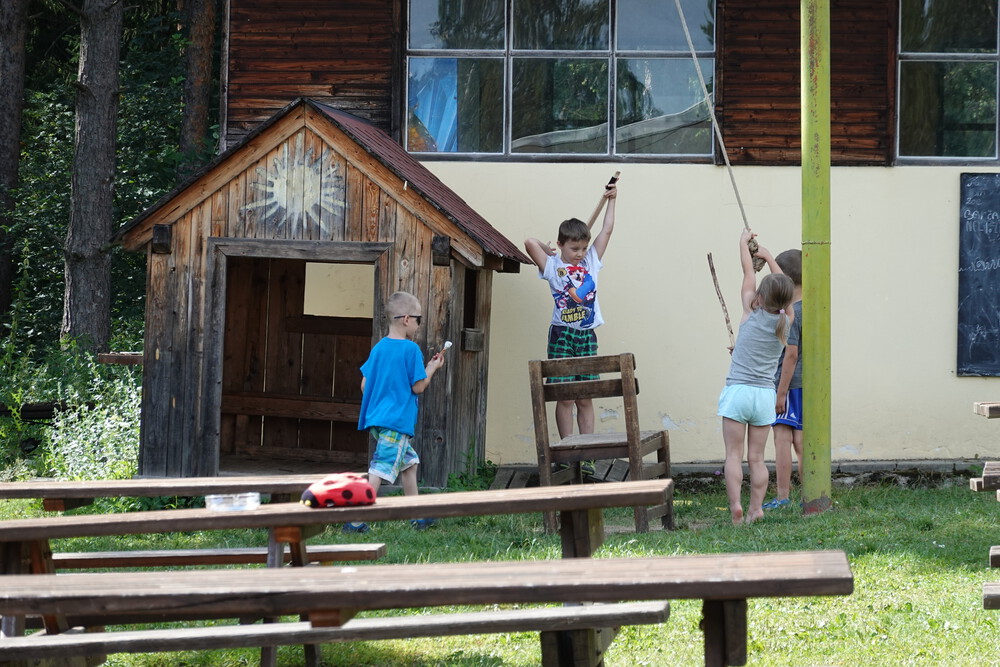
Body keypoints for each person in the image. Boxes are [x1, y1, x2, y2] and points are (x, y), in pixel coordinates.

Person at [524, 182, 617, 476]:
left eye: (582, 248)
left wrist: (612, 200)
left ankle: (587, 453)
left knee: (584, 394)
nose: (579, 253)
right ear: (562, 244)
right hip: (562, 334)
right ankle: (566, 451)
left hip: (586, 334)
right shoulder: (552, 266)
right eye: (574, 248)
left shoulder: (591, 262)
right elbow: (528, 242)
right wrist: (548, 248)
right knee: (564, 395)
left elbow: (607, 230)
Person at [343, 291, 446, 533]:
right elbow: (418, 387)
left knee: (409, 464)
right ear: (407, 319)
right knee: (380, 469)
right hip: (397, 421)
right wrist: (431, 368)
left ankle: (417, 516)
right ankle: (355, 520)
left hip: (378, 420)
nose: (419, 325)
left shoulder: (379, 348)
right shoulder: (410, 351)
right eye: (419, 319)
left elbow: (364, 385)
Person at [717, 230, 795, 525]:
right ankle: (757, 508)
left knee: (733, 456)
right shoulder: (785, 322)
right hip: (764, 395)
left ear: (760, 297)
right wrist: (770, 256)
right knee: (758, 458)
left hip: (738, 392)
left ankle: (736, 506)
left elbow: (747, 271)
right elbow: (786, 292)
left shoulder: (751, 310)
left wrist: (743, 245)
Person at [765, 249, 803, 510]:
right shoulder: (814, 309)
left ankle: (783, 496)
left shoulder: (791, 315)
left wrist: (780, 393)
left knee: (782, 439)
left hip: (786, 386)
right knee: (802, 441)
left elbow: (790, 355)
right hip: (806, 385)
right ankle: (811, 494)